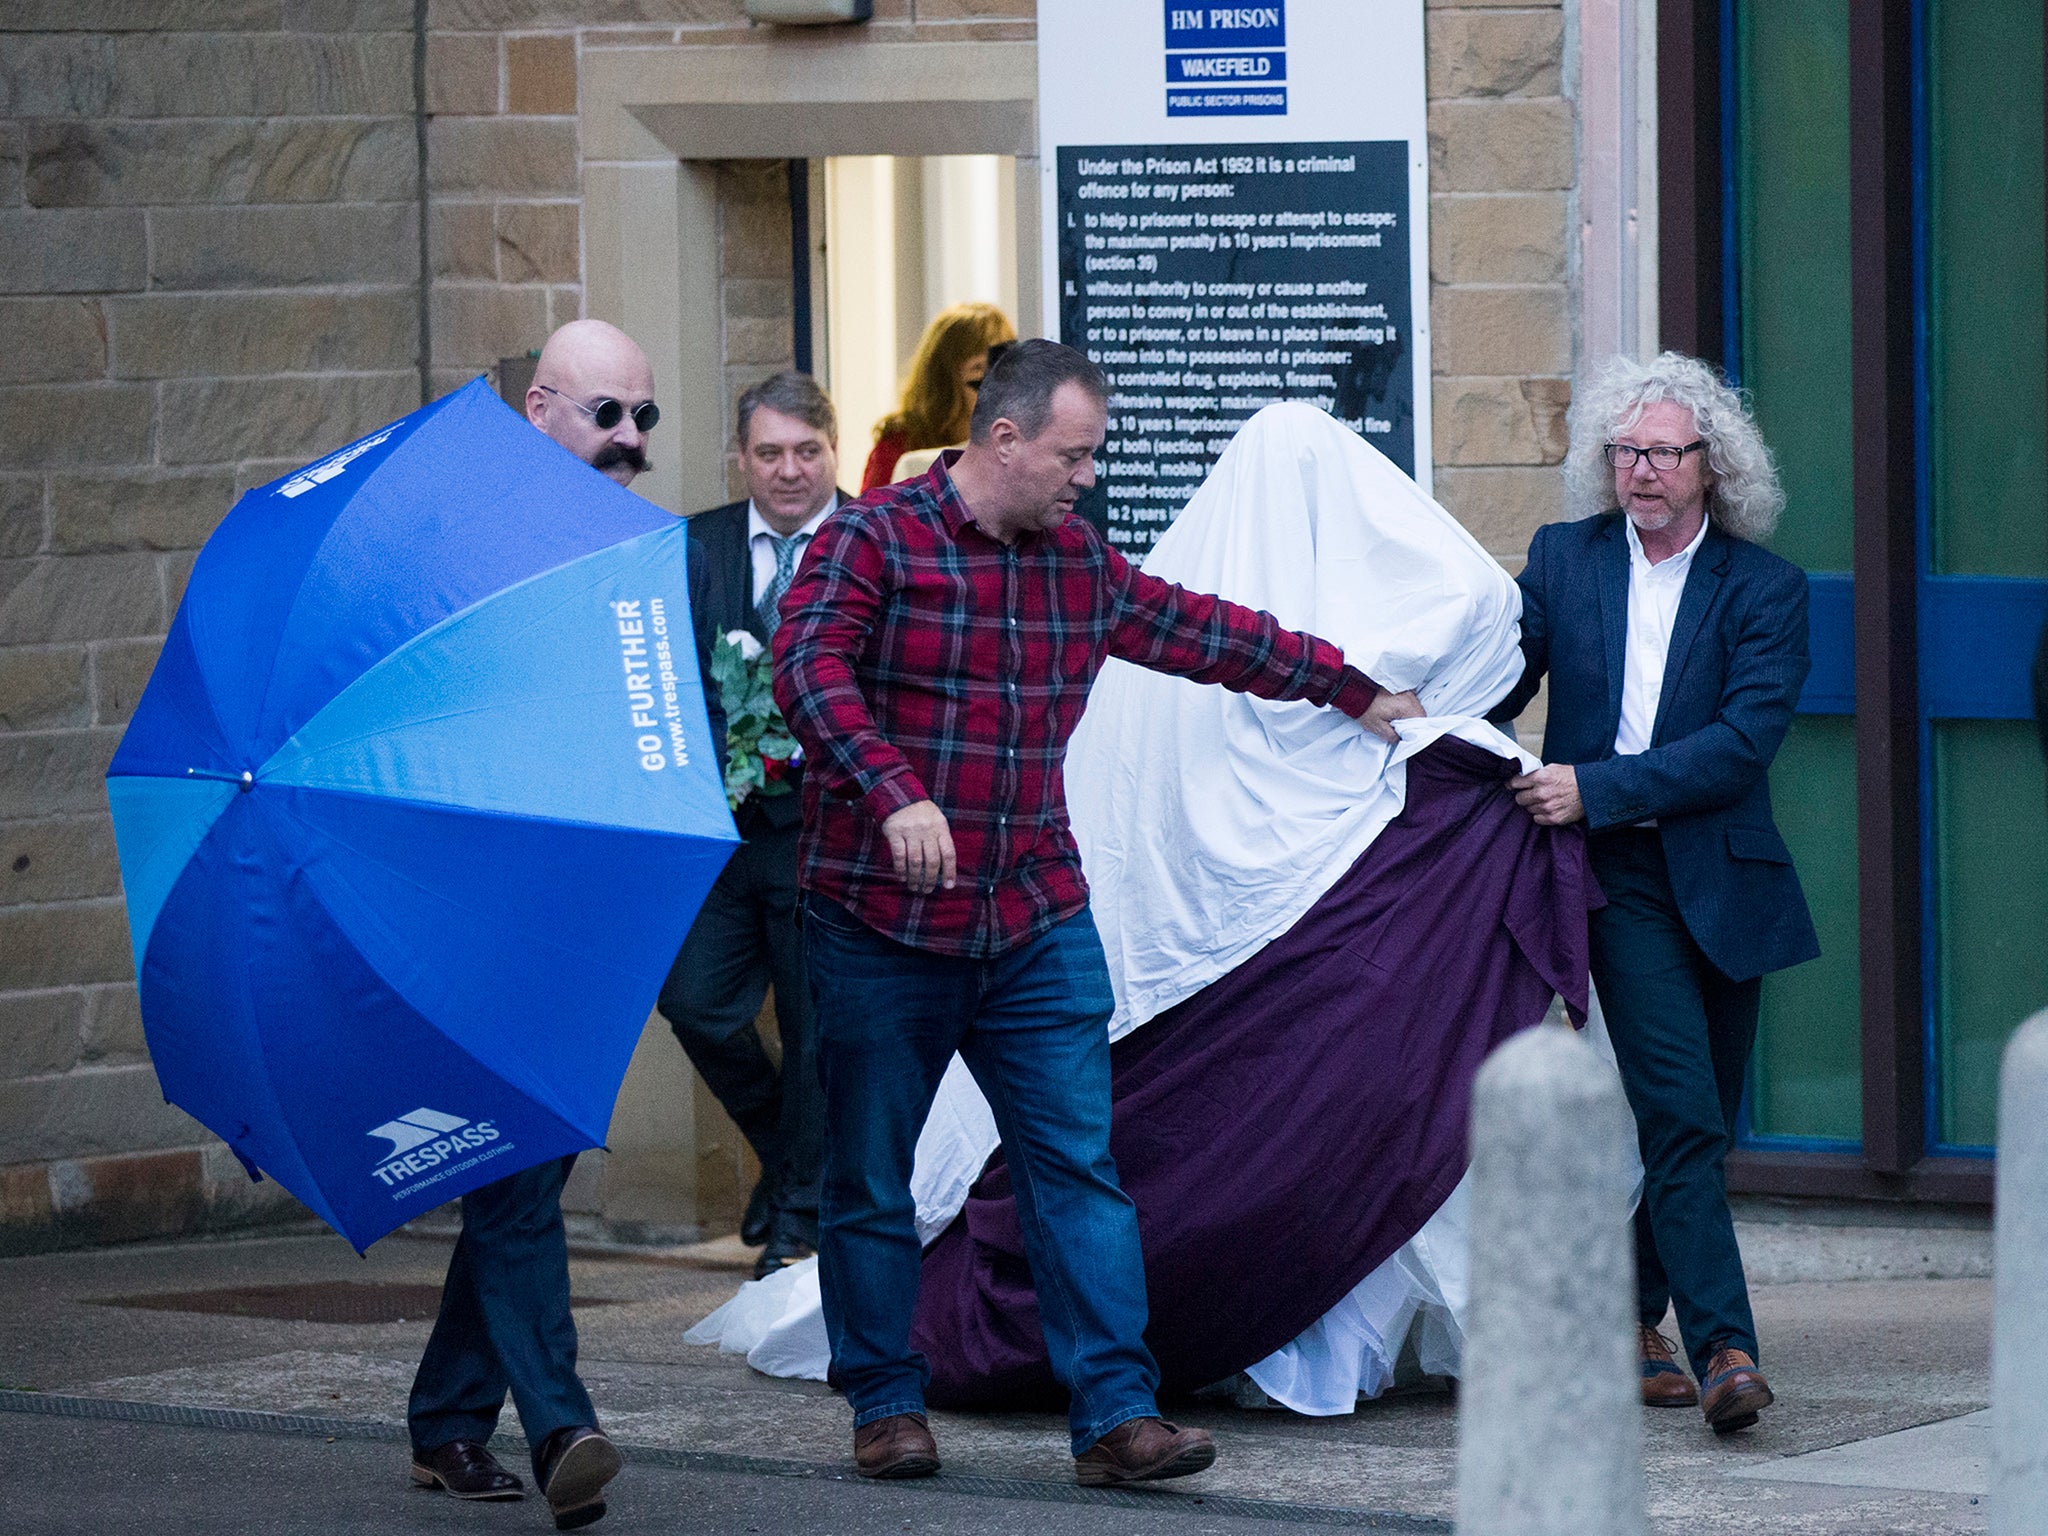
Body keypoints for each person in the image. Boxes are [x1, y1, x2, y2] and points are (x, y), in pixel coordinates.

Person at [771, 342, 1423, 1485]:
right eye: (1073, 455)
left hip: (1032, 916)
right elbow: (807, 665)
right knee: (869, 1173)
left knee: (1075, 1163)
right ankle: (882, 1399)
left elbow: (1202, 632)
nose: (1087, 477)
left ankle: (1115, 1416)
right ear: (1005, 438)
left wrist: (1350, 685)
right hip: (883, 924)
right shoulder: (871, 538)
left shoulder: (1074, 559)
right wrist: (893, 790)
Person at [1490, 351, 1818, 1435]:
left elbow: (1739, 746)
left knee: (1698, 1121)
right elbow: (1498, 678)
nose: (1640, 470)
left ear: (1711, 467)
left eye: (1664, 452)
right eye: (1623, 451)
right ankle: (1726, 1346)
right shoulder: (1562, 560)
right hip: (1612, 876)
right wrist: (1406, 714)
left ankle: (1629, 1317)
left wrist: (1594, 783)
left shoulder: (1763, 589)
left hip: (1726, 880)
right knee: (1678, 1111)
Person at [404, 320, 652, 1529]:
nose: (629, 441)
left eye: (644, 419)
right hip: (471, 911)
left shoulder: (632, 548)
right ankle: (561, 1425)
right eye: (608, 414)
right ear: (542, 405)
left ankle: (446, 1419)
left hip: (579, 909)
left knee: (521, 1167)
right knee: (507, 1173)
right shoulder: (466, 541)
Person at [658, 372, 843, 1279]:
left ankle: (800, 1223)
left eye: (807, 452)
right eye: (769, 453)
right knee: (691, 998)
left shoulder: (867, 542)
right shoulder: (696, 546)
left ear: (832, 452)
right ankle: (786, 1160)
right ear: (742, 458)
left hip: (830, 830)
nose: (789, 472)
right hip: (724, 833)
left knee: (815, 1030)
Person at [860, 302, 1016, 492]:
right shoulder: (899, 447)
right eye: (978, 368)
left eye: (1001, 367)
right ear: (945, 380)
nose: (994, 383)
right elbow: (872, 517)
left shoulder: (1016, 438)